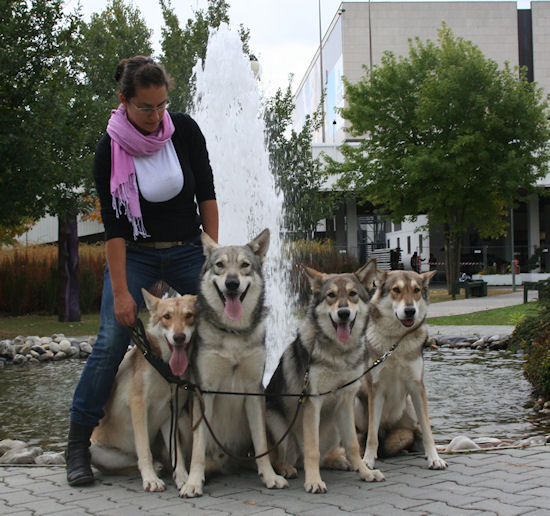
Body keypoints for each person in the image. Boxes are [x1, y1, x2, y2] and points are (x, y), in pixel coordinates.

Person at [66, 56, 219, 486]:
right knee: (110, 340)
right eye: (145, 108)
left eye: (161, 106)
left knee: (226, 325)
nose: (155, 117)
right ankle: (77, 445)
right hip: (136, 252)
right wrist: (122, 293)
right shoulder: (109, 149)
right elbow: (113, 229)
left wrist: (210, 255)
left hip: (189, 248)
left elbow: (206, 192)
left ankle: (232, 431)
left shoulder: (184, 130)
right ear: (124, 101)